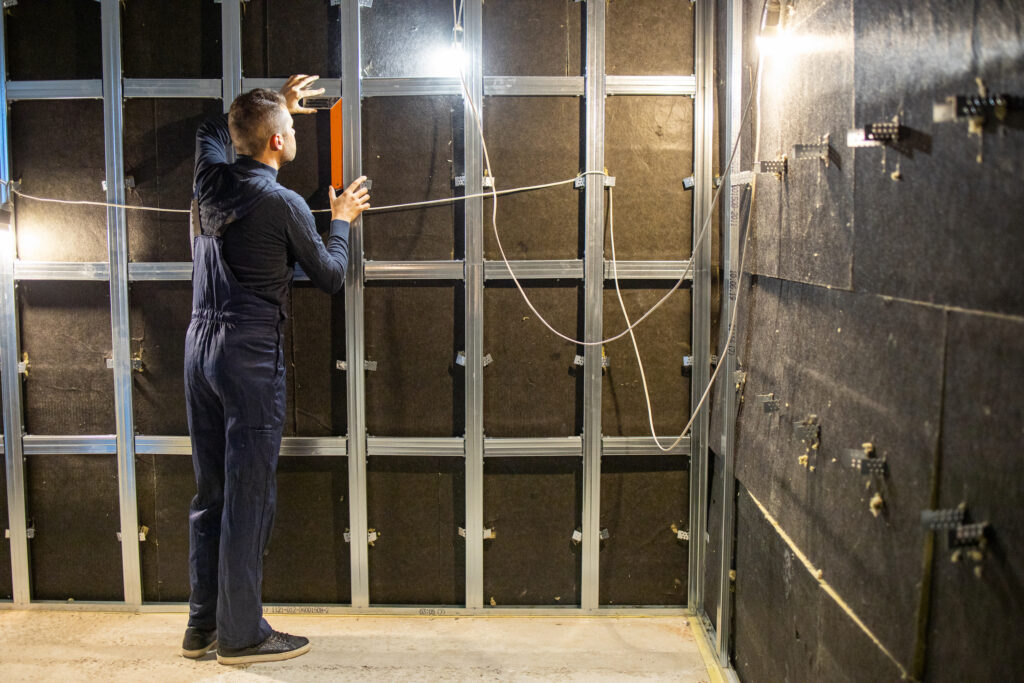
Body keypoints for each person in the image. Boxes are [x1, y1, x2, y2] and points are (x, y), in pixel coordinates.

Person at [181, 74, 370, 665]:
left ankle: (203, 628)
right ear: (278, 146)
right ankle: (241, 636)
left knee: (212, 490)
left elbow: (214, 128)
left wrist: (273, 105)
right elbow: (331, 276)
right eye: (289, 128)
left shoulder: (210, 177)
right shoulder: (282, 203)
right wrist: (340, 220)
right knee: (249, 495)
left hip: (198, 347)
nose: (292, 133)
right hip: (248, 353)